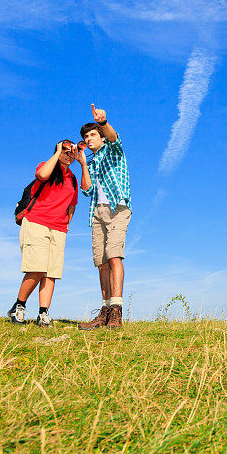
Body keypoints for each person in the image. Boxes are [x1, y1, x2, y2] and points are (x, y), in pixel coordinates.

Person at [8, 141, 80, 326]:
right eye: (65, 150)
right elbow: (42, 175)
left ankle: (43, 313)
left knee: (51, 273)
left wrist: (66, 224)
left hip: (59, 228)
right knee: (37, 268)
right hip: (36, 223)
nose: (69, 154)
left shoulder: (72, 179)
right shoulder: (46, 166)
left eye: (72, 151)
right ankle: (19, 307)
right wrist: (57, 153)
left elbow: (72, 205)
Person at [77, 104, 131, 330]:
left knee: (113, 255)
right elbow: (87, 190)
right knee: (101, 263)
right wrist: (82, 164)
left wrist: (103, 122)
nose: (88, 139)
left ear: (99, 136)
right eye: (85, 137)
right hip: (97, 212)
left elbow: (114, 137)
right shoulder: (91, 161)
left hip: (117, 208)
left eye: (92, 135)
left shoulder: (112, 150)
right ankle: (106, 311)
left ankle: (117, 311)